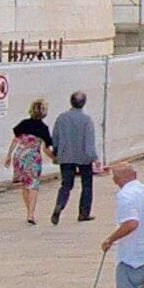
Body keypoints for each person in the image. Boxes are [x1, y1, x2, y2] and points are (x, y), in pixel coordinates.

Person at [49, 91, 101, 224]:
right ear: (84, 103)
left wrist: (56, 152)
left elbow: (55, 137)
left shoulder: (61, 118)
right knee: (87, 185)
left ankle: (60, 204)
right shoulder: (87, 119)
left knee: (66, 184)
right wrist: (94, 157)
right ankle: (84, 213)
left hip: (66, 156)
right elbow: (89, 141)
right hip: (83, 157)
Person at [5, 101, 52, 225]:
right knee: (33, 185)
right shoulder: (43, 128)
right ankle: (31, 213)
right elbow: (46, 148)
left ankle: (28, 211)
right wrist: (54, 158)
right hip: (33, 158)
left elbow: (15, 140)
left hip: (19, 156)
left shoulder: (24, 124)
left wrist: (9, 156)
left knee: (25, 184)